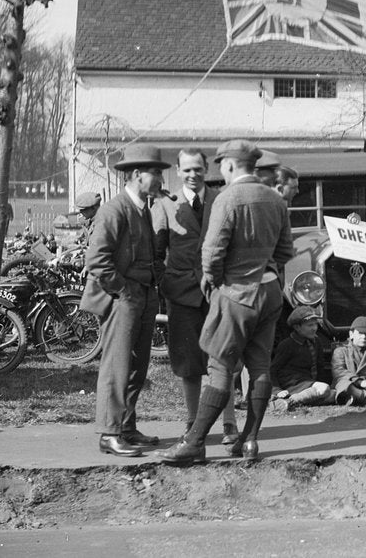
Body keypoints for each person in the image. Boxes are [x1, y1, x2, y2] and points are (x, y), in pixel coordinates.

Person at [157, 139, 293, 465]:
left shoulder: (227, 198)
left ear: (230, 165)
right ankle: (249, 441)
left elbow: (212, 253)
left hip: (236, 294)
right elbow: (286, 251)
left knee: (219, 366)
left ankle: (194, 442)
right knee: (259, 366)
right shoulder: (275, 199)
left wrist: (216, 280)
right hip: (270, 291)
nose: (220, 171)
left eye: (221, 165)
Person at [81, 144, 170, 458]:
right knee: (117, 366)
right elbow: (97, 260)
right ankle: (109, 433)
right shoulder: (114, 210)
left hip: (143, 296)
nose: (160, 178)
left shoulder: (143, 208)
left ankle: (126, 427)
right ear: (136, 175)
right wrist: (122, 289)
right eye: (155, 173)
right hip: (123, 298)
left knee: (137, 366)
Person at [152, 149, 239, 444]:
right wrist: (166, 282)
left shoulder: (222, 198)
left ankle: (229, 424)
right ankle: (192, 422)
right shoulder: (165, 203)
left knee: (223, 358)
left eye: (198, 169)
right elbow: (157, 249)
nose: (193, 175)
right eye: (187, 170)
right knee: (188, 362)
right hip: (182, 294)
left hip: (218, 293)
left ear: (206, 170)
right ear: (177, 171)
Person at [269, 306, 337, 410]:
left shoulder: (316, 341)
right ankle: (290, 401)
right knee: (324, 389)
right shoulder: (287, 345)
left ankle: (288, 403)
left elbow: (320, 366)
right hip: (292, 384)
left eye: (315, 324)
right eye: (310, 325)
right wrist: (277, 390)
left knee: (333, 394)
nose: (314, 328)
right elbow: (273, 370)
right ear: (297, 327)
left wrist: (320, 383)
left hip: (307, 382)